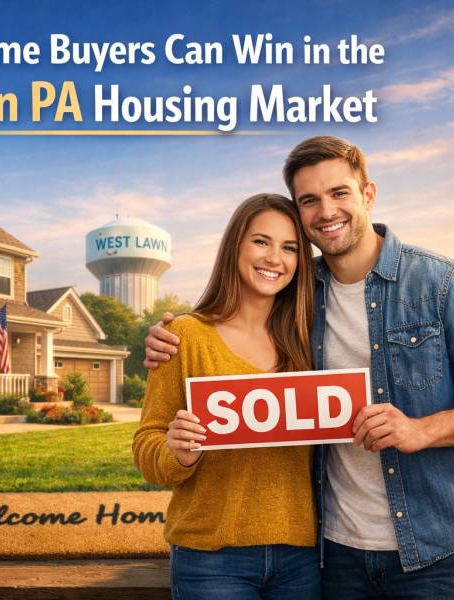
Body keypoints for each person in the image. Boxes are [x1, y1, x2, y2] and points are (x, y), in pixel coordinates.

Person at [144, 136, 454, 600]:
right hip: (335, 553)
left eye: (339, 193)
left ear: (368, 194)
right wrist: (168, 334)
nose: (326, 211)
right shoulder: (299, 297)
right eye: (309, 200)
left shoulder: (441, 281)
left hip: (436, 547)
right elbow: (233, 317)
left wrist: (422, 430)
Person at [133, 193, 321, 600]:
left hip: (302, 556)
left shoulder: (309, 342)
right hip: (210, 557)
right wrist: (177, 452)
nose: (275, 257)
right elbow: (147, 444)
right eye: (261, 241)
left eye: (289, 247)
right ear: (235, 245)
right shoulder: (185, 336)